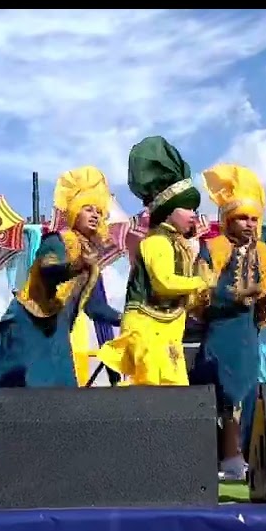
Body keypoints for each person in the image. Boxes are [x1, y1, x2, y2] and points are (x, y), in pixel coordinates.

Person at [0, 166, 122, 475]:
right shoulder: (56, 241)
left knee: (62, 395)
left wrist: (127, 317)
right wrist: (76, 266)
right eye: (88, 208)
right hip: (27, 327)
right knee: (10, 388)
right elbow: (49, 270)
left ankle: (52, 465)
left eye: (99, 211)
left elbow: (94, 306)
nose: (95, 215)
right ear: (73, 212)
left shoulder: (89, 258)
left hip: (55, 335)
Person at [190, 163, 266, 481]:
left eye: (255, 219)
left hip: (247, 336)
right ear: (228, 218)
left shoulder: (265, 253)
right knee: (225, 395)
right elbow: (201, 297)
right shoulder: (213, 248)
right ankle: (226, 459)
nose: (249, 224)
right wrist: (236, 295)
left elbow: (261, 299)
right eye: (243, 217)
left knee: (249, 394)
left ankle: (244, 458)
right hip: (221, 335)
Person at [97, 136, 212, 385]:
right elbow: (164, 283)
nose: (194, 215)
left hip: (170, 326)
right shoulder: (156, 242)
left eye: (194, 209)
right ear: (169, 212)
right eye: (187, 208)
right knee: (149, 390)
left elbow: (184, 295)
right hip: (145, 325)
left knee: (177, 386)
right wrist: (201, 282)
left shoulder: (180, 244)